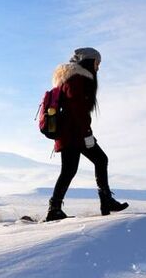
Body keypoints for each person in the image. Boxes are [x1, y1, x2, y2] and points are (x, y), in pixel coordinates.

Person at [46, 48, 129, 221]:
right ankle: (105, 200)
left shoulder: (71, 78)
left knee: (69, 170)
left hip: (70, 132)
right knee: (99, 160)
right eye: (97, 63)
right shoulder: (78, 79)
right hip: (74, 133)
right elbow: (78, 110)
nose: (98, 68)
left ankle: (55, 208)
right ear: (88, 62)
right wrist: (87, 134)